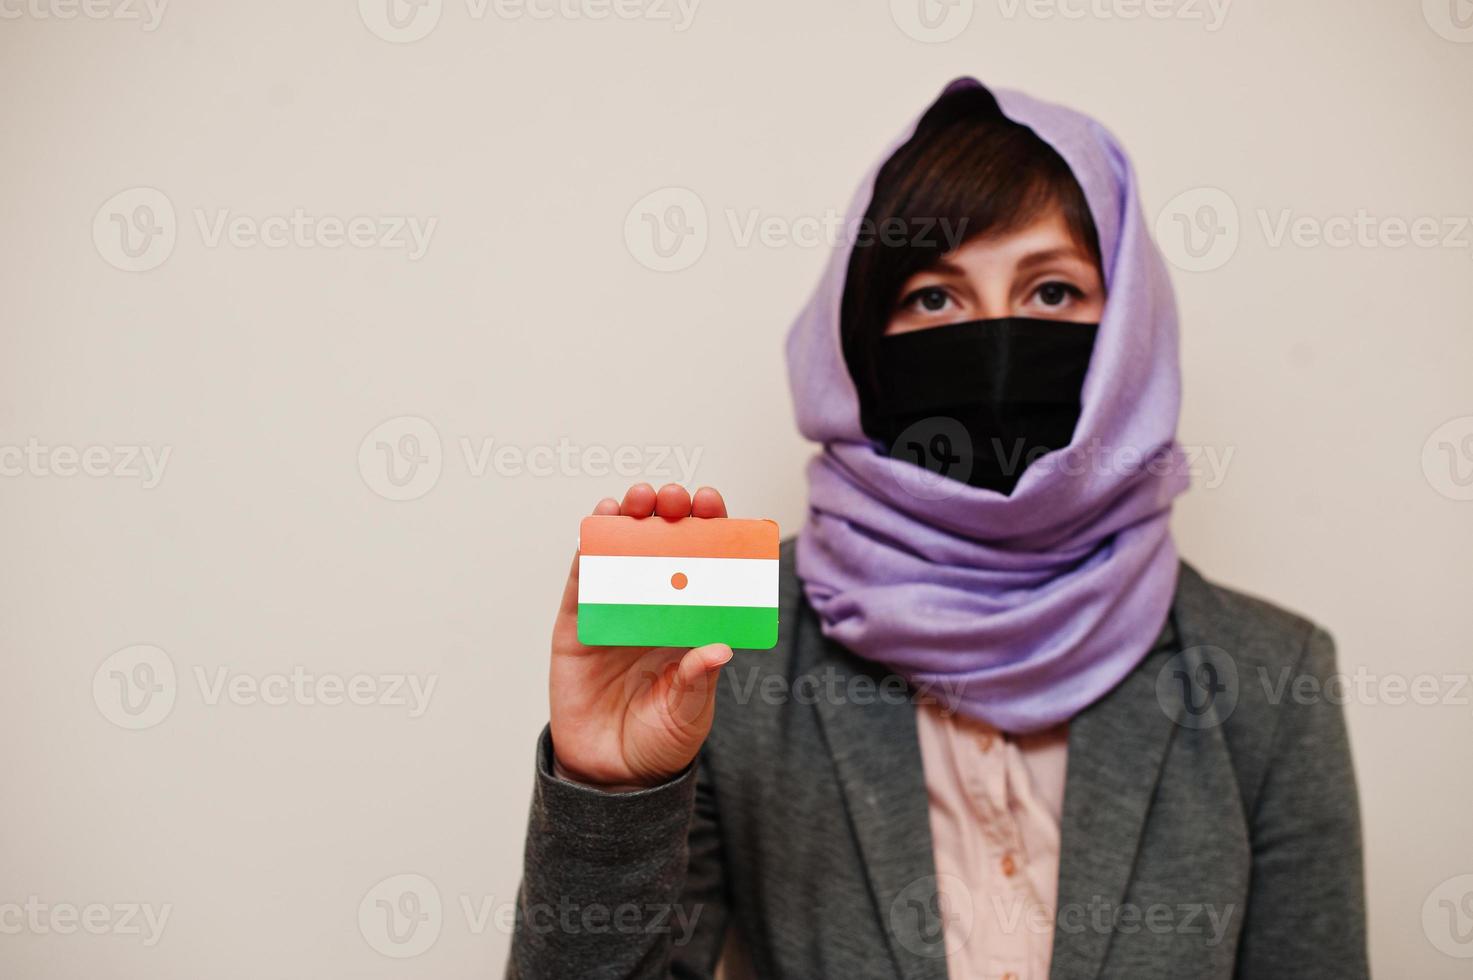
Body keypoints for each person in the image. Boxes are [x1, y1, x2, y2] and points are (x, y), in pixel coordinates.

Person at [506, 78, 1368, 980]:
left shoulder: (1270, 679)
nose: (994, 338)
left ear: (1129, 343)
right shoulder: (724, 650)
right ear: (860, 342)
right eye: (933, 298)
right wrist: (610, 791)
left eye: (1050, 291)